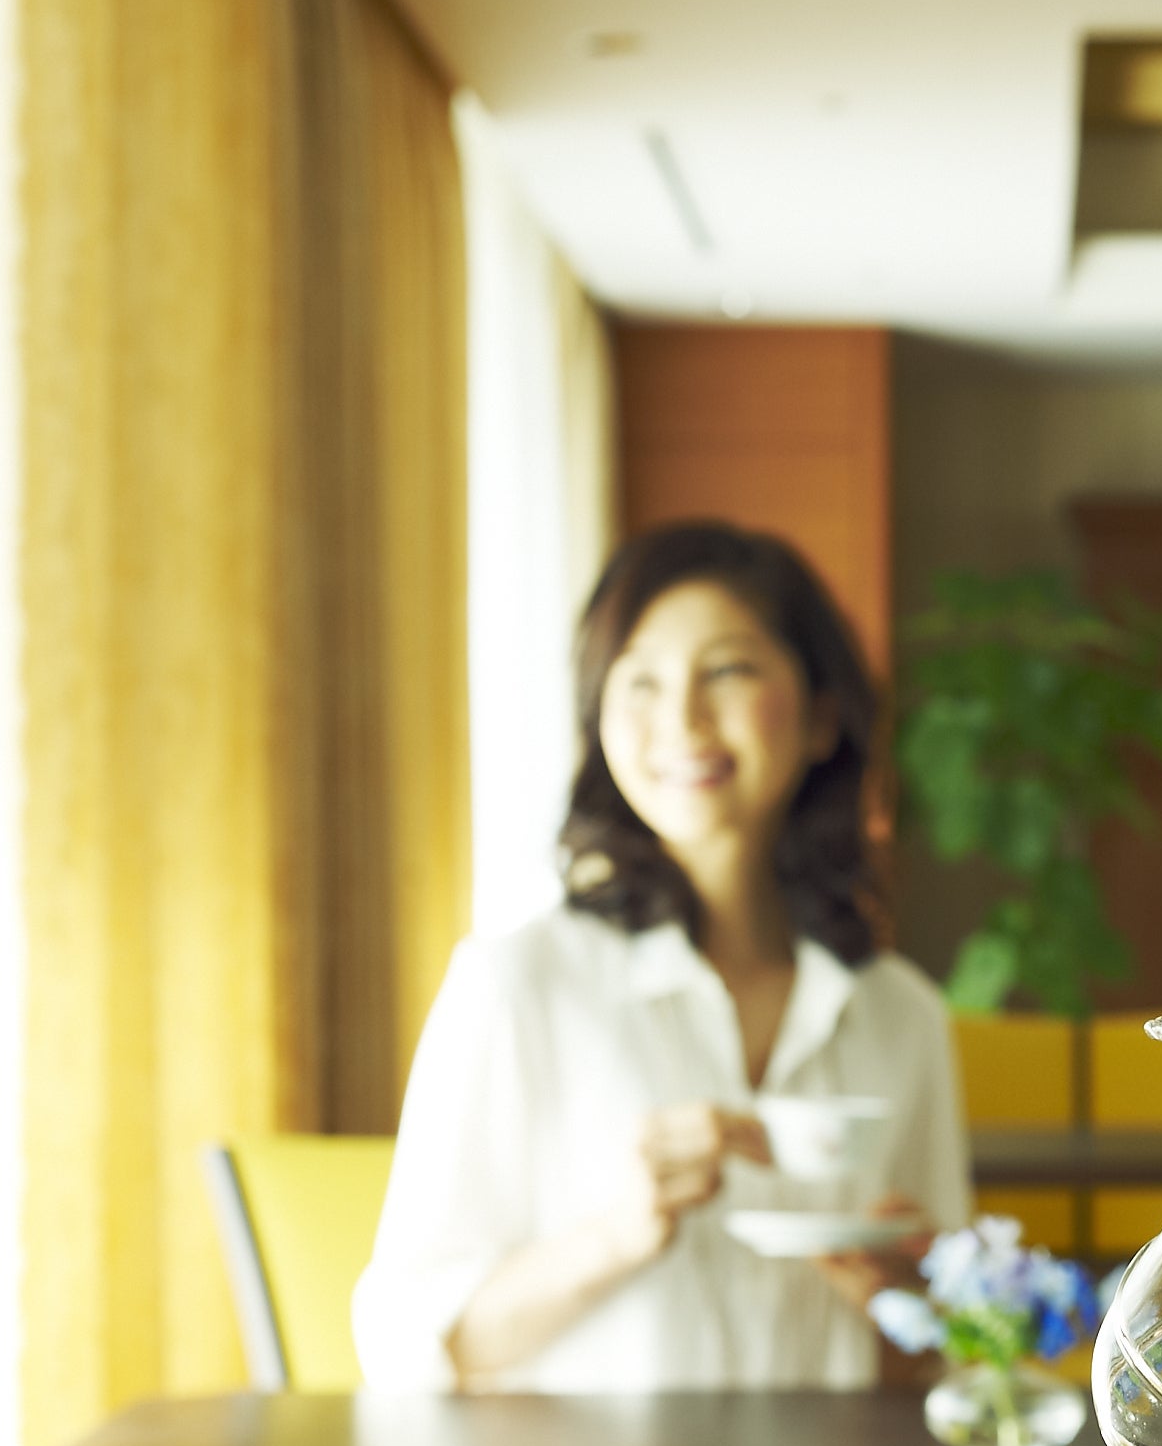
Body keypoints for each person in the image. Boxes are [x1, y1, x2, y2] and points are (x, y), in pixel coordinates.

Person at [350, 521, 970, 1391]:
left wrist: (915, 1306)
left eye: (728, 671)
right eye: (639, 681)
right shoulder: (517, 985)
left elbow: (955, 1364)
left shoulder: (901, 1014)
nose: (681, 719)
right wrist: (618, 1233)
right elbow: (406, 1347)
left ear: (823, 717)